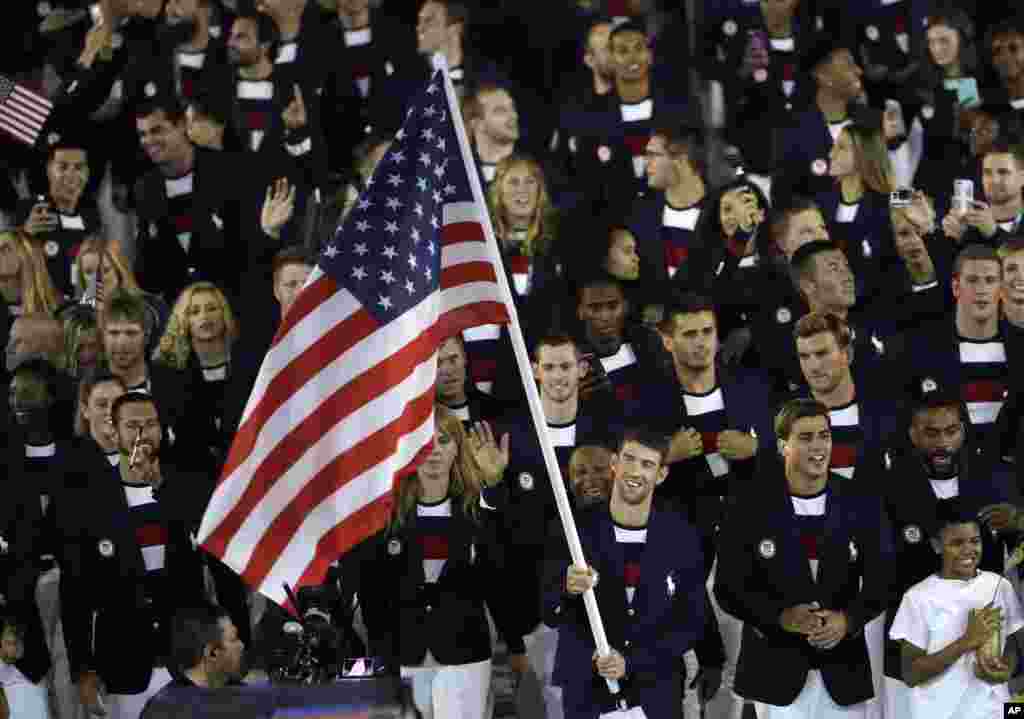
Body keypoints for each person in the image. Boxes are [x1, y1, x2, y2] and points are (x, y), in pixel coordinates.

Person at [714, 399, 892, 718]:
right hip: (771, 676)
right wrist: (780, 618)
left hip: (843, 674)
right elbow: (728, 590)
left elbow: (884, 581)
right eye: (805, 438)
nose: (818, 446)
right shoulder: (747, 506)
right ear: (783, 445)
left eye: (824, 436)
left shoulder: (859, 502)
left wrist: (847, 621)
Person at [355, 407, 523, 719]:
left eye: (443, 441)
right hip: (403, 656)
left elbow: (502, 575)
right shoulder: (385, 519)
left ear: (458, 448)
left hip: (465, 656)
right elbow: (371, 594)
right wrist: (381, 651)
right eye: (424, 442)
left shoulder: (478, 513)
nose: (433, 452)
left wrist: (494, 483)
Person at [60, 391, 218, 719]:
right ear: (114, 432)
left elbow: (206, 567)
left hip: (185, 663)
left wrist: (161, 487)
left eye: (150, 425)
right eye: (132, 426)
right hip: (122, 668)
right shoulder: (88, 501)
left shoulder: (185, 490)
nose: (142, 434)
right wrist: (83, 671)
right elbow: (75, 593)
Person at [543, 428, 706, 719]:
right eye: (629, 459)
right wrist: (565, 587)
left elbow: (690, 624)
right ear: (615, 464)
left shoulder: (681, 536)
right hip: (586, 692)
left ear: (661, 475)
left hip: (655, 690)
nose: (635, 471)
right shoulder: (572, 530)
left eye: (647, 464)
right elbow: (548, 610)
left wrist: (631, 661)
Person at [881, 383, 1019, 718]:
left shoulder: (994, 481)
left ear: (964, 431)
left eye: (951, 431)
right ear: (913, 434)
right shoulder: (887, 488)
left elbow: (1016, 554)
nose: (943, 443)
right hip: (918, 649)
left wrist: (1019, 523)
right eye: (931, 433)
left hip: (985, 653)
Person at [889, 504, 1024, 719]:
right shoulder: (917, 598)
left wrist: (1005, 669)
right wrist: (966, 641)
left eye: (975, 541)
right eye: (957, 543)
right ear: (936, 545)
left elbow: (1014, 645)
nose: (969, 550)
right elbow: (911, 674)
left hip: (994, 710)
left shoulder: (999, 584)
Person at [152, 281, 239, 461]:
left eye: (212, 308)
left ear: (224, 314)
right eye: (194, 312)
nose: (204, 317)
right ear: (184, 320)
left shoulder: (246, 362)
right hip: (191, 467)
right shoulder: (167, 372)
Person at [628, 126, 705, 285]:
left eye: (652, 155)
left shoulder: (725, 211)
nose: (645, 163)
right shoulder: (641, 216)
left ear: (681, 160)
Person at [140, 604, 246, 716]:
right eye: (234, 640)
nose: (241, 645)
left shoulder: (246, 698)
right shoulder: (164, 710)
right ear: (212, 652)